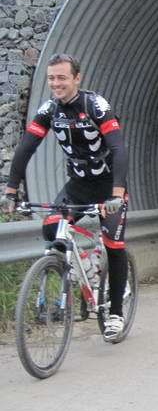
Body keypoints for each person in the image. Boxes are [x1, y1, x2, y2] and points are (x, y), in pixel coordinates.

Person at [0, 53, 129, 342]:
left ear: (76, 78)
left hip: (108, 186)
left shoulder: (95, 106)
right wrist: (11, 189)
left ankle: (116, 314)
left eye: (62, 77)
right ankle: (68, 270)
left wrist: (117, 193)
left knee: (114, 243)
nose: (56, 83)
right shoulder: (49, 110)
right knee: (51, 226)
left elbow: (119, 149)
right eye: (51, 78)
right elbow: (26, 147)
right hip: (78, 186)